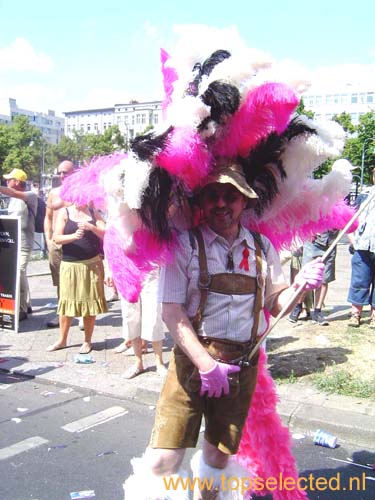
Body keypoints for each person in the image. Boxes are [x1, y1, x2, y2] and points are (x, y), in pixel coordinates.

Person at [124, 164, 324, 499]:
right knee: (163, 458)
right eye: (213, 195)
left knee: (218, 456)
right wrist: (206, 365)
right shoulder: (184, 245)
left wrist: (301, 287)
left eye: (230, 195)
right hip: (191, 366)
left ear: (244, 201)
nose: (221, 203)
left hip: (241, 369)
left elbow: (277, 304)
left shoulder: (262, 248)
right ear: (202, 200)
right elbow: (172, 313)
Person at [46, 202, 107, 353]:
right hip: (70, 265)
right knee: (66, 304)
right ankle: (62, 340)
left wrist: (91, 227)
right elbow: (56, 238)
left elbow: (106, 234)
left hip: (92, 265)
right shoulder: (64, 212)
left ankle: (87, 341)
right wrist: (73, 236)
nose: (83, 201)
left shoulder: (94, 212)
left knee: (89, 304)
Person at [106, 267, 167, 378]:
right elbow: (112, 249)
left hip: (150, 269)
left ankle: (159, 363)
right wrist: (111, 270)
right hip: (125, 272)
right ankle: (138, 363)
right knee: (131, 318)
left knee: (154, 317)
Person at [0, 168, 38, 321]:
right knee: (21, 272)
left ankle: (21, 309)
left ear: (16, 182)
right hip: (14, 242)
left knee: (20, 272)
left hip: (24, 242)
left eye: (9, 179)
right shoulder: (13, 200)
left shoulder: (30, 196)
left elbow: (14, 193)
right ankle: (27, 303)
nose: (7, 182)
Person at [44, 160, 76, 328]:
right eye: (60, 172)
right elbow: (48, 217)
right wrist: (48, 239)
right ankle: (62, 314)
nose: (62, 175)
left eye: (66, 172)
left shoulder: (81, 192)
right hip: (57, 244)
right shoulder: (54, 193)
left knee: (78, 278)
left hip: (76, 243)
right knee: (60, 282)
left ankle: (81, 313)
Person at [347, 167, 375, 327]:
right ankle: (355, 314)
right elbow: (349, 221)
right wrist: (353, 241)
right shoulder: (364, 195)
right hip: (362, 247)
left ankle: (374, 316)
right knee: (359, 280)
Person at [297, 230, 339, 326]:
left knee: (324, 279)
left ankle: (317, 311)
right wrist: (308, 230)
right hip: (313, 242)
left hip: (330, 243)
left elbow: (347, 222)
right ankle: (298, 306)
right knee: (307, 278)